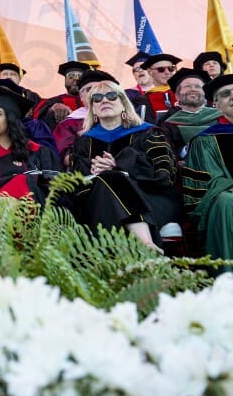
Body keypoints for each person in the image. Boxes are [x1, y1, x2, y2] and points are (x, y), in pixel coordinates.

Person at [69, 81, 180, 250]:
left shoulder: (149, 133)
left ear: (124, 103)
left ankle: (138, 248)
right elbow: (75, 182)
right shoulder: (84, 142)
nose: (104, 101)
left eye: (112, 96)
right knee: (109, 178)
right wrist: (98, 172)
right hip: (97, 203)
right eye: (97, 98)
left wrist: (121, 168)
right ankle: (145, 243)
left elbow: (165, 175)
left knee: (113, 176)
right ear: (93, 109)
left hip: (149, 200)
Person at [182, 74, 233, 266]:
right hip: (226, 197)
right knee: (227, 201)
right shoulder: (205, 140)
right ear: (216, 105)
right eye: (226, 94)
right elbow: (207, 183)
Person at [158, 68, 220, 159]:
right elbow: (166, 155)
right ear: (177, 95)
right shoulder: (168, 125)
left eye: (198, 86)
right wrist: (184, 151)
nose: (193, 89)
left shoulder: (223, 117)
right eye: (187, 86)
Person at [32, 61, 89, 131]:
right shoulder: (55, 101)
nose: (75, 79)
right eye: (71, 75)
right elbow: (38, 113)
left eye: (79, 76)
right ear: (65, 80)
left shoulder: (94, 100)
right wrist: (52, 108)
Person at [140, 53, 181, 119]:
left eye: (171, 68)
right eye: (161, 69)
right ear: (150, 72)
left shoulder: (184, 93)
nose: (167, 72)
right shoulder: (142, 101)